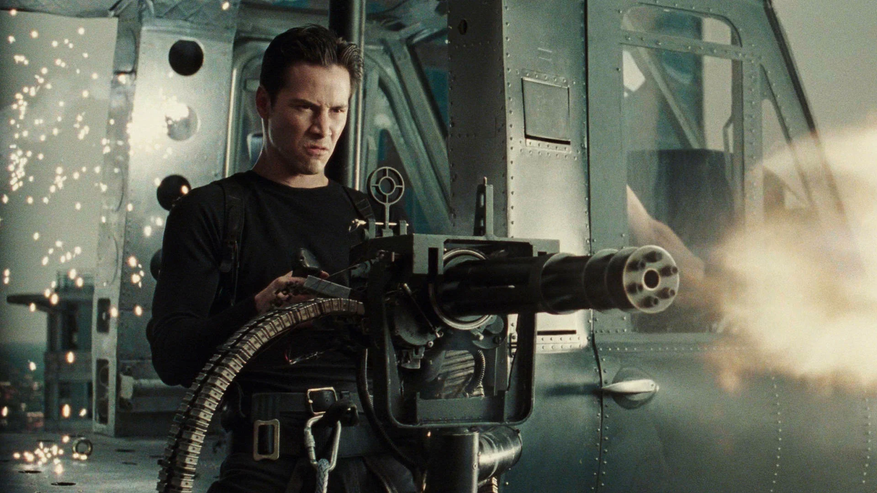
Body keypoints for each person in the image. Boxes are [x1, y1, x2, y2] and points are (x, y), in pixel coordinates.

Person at [147, 25, 415, 493]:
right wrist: (257, 308)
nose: (324, 128)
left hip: (378, 459)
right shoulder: (212, 212)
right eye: (305, 107)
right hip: (268, 462)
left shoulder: (373, 217)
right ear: (264, 103)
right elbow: (172, 358)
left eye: (337, 110)